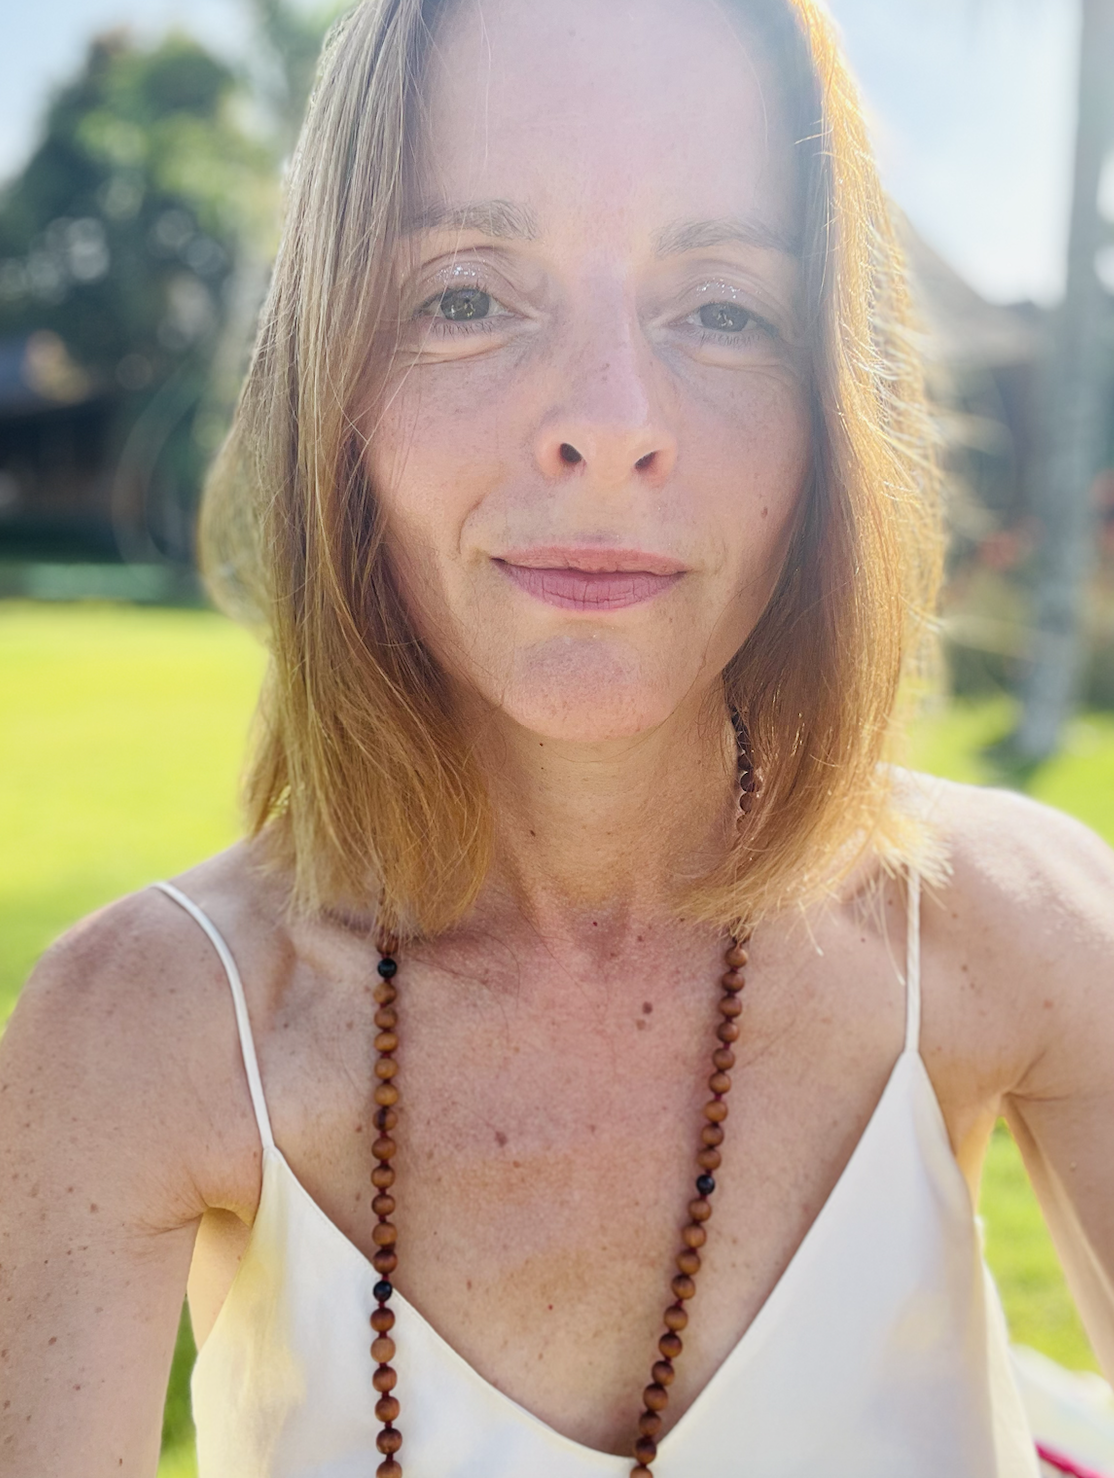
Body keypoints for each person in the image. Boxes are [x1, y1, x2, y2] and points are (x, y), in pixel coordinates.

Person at [2, 0, 1112, 1474]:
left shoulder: (1014, 929)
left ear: (831, 409)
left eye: (722, 306)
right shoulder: (135, 1039)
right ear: (336, 392)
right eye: (466, 295)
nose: (608, 421)